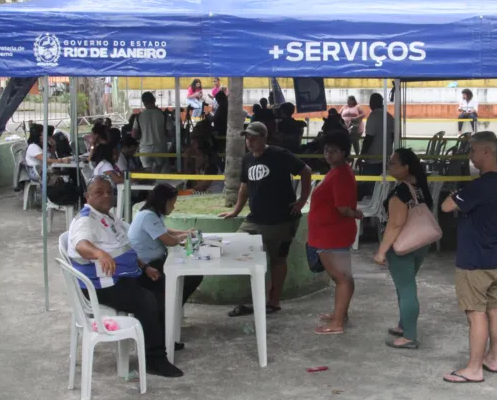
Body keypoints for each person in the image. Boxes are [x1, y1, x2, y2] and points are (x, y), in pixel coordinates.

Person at [68, 176, 183, 377]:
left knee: (164, 286)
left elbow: (125, 247)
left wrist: (145, 267)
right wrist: (99, 254)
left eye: (109, 192)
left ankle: (160, 339)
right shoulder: (86, 219)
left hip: (123, 275)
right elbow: (80, 244)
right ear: (87, 196)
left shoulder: (110, 216)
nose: (106, 196)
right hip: (101, 285)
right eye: (99, 192)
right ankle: (155, 359)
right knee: (147, 300)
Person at [220, 122, 312, 316]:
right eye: (247, 138)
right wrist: (236, 211)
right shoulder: (246, 159)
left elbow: (306, 171)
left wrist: (302, 200)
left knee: (278, 260)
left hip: (282, 220)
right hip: (254, 219)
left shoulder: (280, 154)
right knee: (235, 247)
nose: (250, 141)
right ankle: (255, 296)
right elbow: (244, 187)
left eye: (254, 137)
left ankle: (273, 300)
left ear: (264, 137)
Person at [441, 131, 497, 383]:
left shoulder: (479, 186)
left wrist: (456, 193)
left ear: (487, 152)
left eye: (473, 151)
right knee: (494, 309)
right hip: (492, 257)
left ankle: (473, 368)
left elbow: (447, 206)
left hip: (474, 260)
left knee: (475, 313)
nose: (470, 156)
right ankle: (492, 358)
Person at [373, 148, 432, 349]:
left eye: (393, 163)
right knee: (405, 285)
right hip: (420, 242)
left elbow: (395, 224)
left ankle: (409, 335)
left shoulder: (401, 192)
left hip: (403, 245)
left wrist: (382, 251)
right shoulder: (419, 185)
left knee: (406, 288)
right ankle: (403, 325)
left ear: (406, 167)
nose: (389, 166)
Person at [307, 131, 362, 335]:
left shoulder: (340, 174)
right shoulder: (338, 171)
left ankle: (337, 323)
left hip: (332, 234)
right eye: (326, 150)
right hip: (330, 233)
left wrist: (356, 213)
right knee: (344, 276)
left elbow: (343, 208)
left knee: (341, 278)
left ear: (344, 152)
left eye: (334, 151)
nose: (329, 154)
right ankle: (340, 315)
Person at [129, 183, 203, 309]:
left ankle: (173, 307)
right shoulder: (148, 216)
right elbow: (170, 241)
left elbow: (164, 230)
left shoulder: (152, 213)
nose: (173, 207)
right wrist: (187, 236)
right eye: (172, 204)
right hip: (146, 268)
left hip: (154, 262)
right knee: (192, 276)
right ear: (163, 201)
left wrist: (186, 232)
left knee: (190, 274)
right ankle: (171, 308)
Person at [25, 123, 80, 206]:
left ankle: (72, 196)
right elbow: (47, 160)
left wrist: (53, 144)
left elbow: (51, 155)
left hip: (45, 170)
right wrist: (61, 161)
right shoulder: (33, 146)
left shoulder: (42, 145)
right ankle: (53, 200)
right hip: (36, 172)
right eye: (43, 133)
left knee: (70, 172)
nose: (45, 135)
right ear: (38, 135)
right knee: (60, 177)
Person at [359, 93, 394, 197]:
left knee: (370, 186)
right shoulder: (389, 117)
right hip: (386, 156)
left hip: (373, 158)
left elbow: (369, 138)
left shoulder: (373, 117)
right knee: (383, 185)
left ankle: (373, 204)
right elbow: (393, 137)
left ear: (371, 104)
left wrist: (362, 155)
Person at [132, 92, 172, 172]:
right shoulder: (163, 115)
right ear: (154, 100)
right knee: (161, 173)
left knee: (148, 173)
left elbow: (134, 135)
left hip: (145, 150)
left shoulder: (139, 116)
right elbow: (171, 132)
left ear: (143, 102)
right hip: (160, 148)